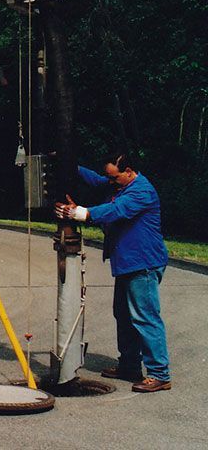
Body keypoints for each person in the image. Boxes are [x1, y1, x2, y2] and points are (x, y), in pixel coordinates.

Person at [55, 152, 171, 393]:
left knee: (144, 316)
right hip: (129, 263)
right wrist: (66, 161)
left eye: (113, 177)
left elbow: (117, 211)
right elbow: (98, 180)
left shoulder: (141, 192)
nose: (109, 181)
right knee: (124, 314)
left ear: (128, 171)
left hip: (143, 264)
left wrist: (80, 213)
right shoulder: (120, 184)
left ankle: (160, 373)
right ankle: (129, 366)